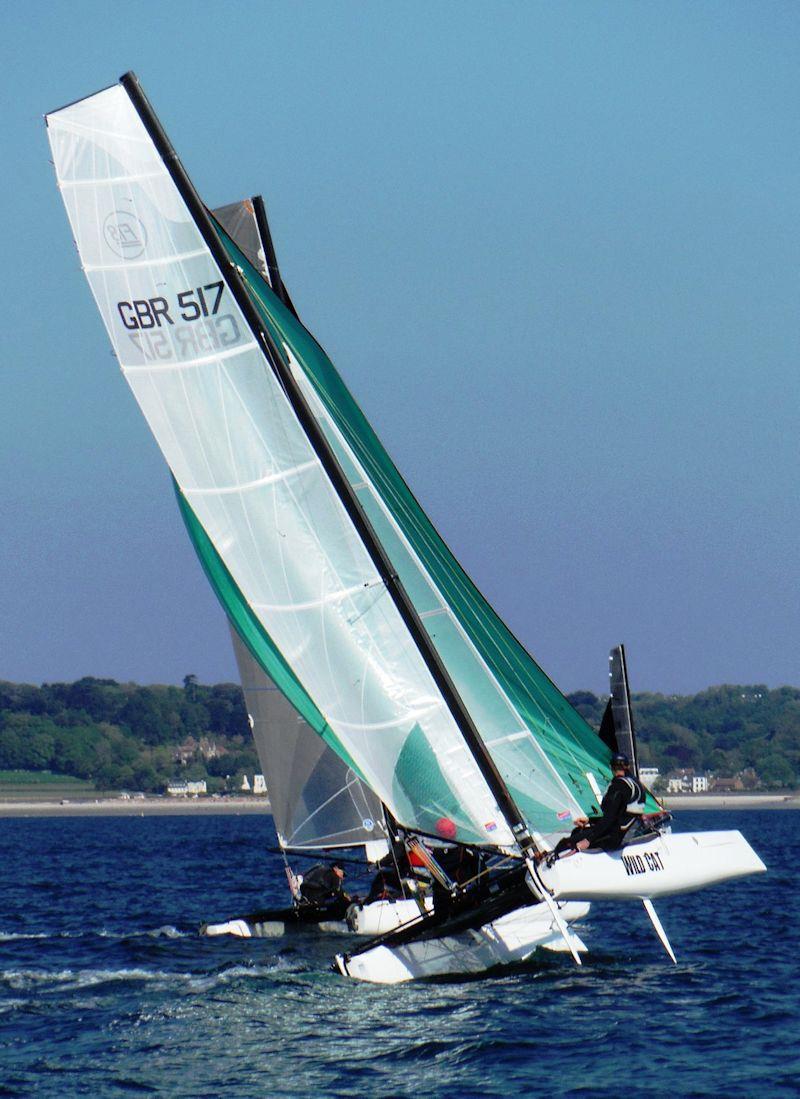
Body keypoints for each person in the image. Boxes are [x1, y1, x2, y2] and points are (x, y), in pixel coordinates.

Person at [547, 753, 645, 861]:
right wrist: (589, 820)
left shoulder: (618, 786)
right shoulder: (636, 784)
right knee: (578, 831)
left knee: (565, 842)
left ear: (611, 768)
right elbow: (619, 815)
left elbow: (609, 818)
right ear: (628, 766)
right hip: (631, 833)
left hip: (615, 838)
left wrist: (588, 840)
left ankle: (554, 863)